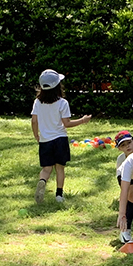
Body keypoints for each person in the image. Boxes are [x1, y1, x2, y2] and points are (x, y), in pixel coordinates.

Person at [31, 69, 92, 204]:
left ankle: (42, 181)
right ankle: (59, 195)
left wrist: (36, 135)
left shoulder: (38, 102)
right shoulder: (62, 103)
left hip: (45, 140)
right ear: (58, 86)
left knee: (46, 169)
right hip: (60, 140)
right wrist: (82, 120)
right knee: (60, 168)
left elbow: (34, 121)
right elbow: (67, 123)